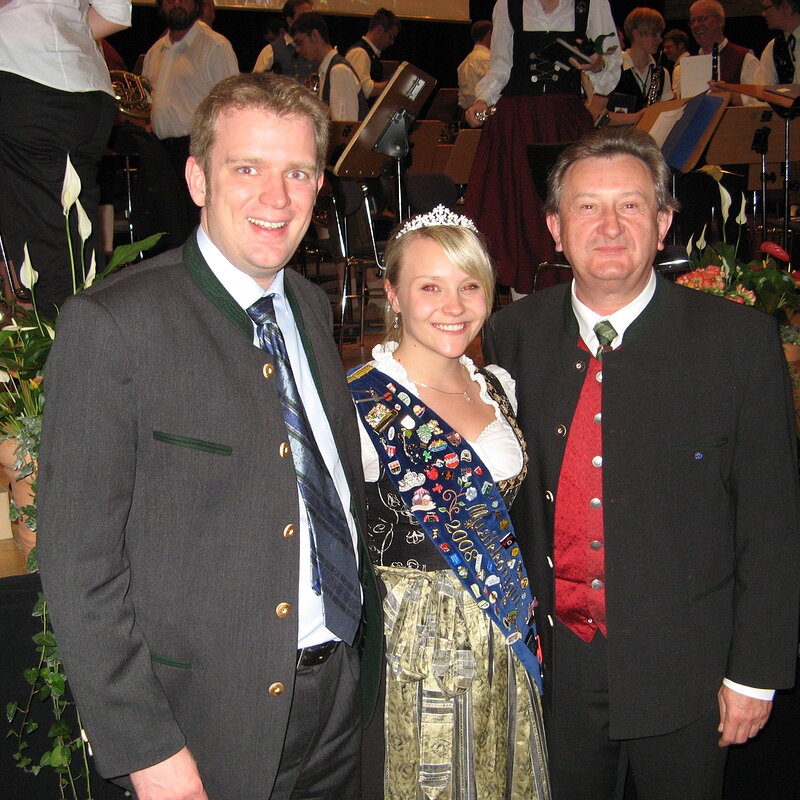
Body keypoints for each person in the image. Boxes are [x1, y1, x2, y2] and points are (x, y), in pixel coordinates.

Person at [37, 72, 382, 800]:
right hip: (204, 726)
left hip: (341, 700)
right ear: (197, 179)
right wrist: (147, 750)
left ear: (320, 186)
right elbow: (78, 567)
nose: (276, 197)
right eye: (247, 168)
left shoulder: (311, 308)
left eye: (297, 172)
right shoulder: (113, 325)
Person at [483, 127, 800, 800]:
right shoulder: (513, 334)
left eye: (630, 206)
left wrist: (754, 673)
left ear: (662, 225)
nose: (609, 227)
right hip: (556, 667)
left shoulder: (739, 342)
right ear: (554, 229)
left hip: (688, 667)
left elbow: (772, 522)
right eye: (587, 207)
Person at [348, 206, 551, 800]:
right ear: (393, 294)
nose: (454, 306)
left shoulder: (498, 386)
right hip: (414, 646)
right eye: (430, 287)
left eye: (470, 286)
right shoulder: (359, 403)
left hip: (503, 629)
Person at [464, 0, 621, 299]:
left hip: (565, 122)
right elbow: (500, 66)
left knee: (573, 209)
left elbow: (609, 71)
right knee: (519, 214)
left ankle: (576, 299)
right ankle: (525, 306)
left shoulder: (591, 4)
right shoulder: (507, 5)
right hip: (517, 123)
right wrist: (482, 100)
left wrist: (597, 64)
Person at [0, 0, 131, 315]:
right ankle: (84, 332)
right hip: (85, 89)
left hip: (24, 76)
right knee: (74, 230)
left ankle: (56, 337)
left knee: (39, 238)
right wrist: (64, 26)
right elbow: (117, 12)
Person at [143, 0, 239, 241]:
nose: (177, 4)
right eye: (169, 0)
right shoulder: (155, 52)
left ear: (197, 4)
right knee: (169, 230)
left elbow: (233, 105)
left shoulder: (215, 46)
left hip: (198, 149)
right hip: (163, 153)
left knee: (198, 230)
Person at [589, 8, 673, 128]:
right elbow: (595, 115)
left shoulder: (662, 73)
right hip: (615, 139)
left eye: (660, 34)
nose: (659, 40)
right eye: (654, 34)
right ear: (636, 34)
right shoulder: (612, 69)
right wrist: (636, 117)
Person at [673, 0, 759, 100]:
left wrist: (731, 96)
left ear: (720, 21)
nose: (695, 25)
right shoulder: (688, 65)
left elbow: (760, 101)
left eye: (701, 19)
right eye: (692, 22)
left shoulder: (744, 59)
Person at [291, 11, 368, 121]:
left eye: (300, 42)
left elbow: (343, 125)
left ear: (315, 35)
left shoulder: (339, 70)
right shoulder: (327, 69)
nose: (297, 49)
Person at [252, 0, 316, 84]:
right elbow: (255, 85)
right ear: (290, 21)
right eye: (304, 16)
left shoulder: (318, 50)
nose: (310, 21)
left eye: (312, 16)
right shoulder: (271, 51)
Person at [345, 7, 400, 101]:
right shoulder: (360, 53)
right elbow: (364, 89)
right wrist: (393, 86)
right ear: (379, 30)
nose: (392, 42)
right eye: (391, 36)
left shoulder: (368, 53)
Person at [756, 0, 800, 85]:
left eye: (766, 8)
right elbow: (761, 89)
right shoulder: (774, 47)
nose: (763, 14)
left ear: (786, 7)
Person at [457, 20, 492, 111]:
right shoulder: (488, 60)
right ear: (489, 34)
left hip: (469, 113)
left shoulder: (464, 63)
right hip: (486, 112)